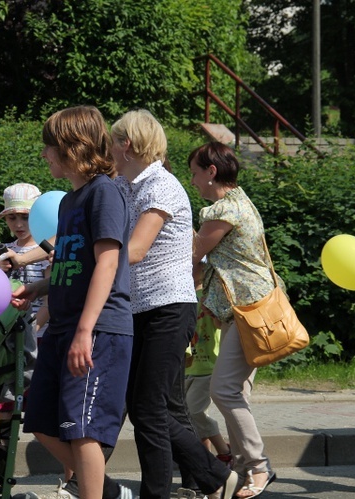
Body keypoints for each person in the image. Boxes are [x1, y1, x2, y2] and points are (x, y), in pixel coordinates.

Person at [110, 110, 236, 499]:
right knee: (146, 406)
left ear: (127, 145)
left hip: (167, 306)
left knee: (150, 408)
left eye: (113, 141)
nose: (108, 149)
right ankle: (200, 481)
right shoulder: (126, 186)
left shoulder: (160, 186)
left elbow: (134, 249)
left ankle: (211, 476)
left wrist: (80, 263)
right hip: (138, 308)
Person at [10, 105, 134, 499]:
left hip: (96, 328)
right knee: (42, 421)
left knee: (84, 430)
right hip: (63, 326)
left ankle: (92, 492)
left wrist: (84, 331)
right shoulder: (68, 201)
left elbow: (108, 262)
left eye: (49, 146)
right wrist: (39, 289)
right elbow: (69, 263)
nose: (44, 154)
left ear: (71, 146)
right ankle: (103, 490)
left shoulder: (105, 193)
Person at [190, 142, 277, 498]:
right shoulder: (241, 200)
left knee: (223, 390)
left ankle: (258, 467)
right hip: (248, 309)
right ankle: (243, 468)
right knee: (235, 392)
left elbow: (195, 253)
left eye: (195, 173)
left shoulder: (224, 209)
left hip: (247, 312)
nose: (192, 180)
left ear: (212, 172)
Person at [0, 182, 51, 339]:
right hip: (5, 334)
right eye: (12, 218)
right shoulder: (4, 250)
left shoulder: (46, 251)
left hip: (38, 336)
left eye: (25, 217)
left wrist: (30, 332)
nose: (18, 224)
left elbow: (49, 302)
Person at [184, 285, 232, 467]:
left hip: (208, 366)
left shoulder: (210, 294)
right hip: (187, 367)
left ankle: (225, 452)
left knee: (194, 411)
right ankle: (205, 462)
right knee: (192, 416)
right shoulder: (183, 291)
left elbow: (222, 323)